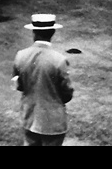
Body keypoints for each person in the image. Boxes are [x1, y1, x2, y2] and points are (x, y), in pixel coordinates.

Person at [13, 14, 74, 146]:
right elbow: (67, 92)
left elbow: (19, 85)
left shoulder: (21, 55)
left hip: (29, 116)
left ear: (34, 32)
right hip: (52, 122)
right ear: (53, 32)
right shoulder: (59, 60)